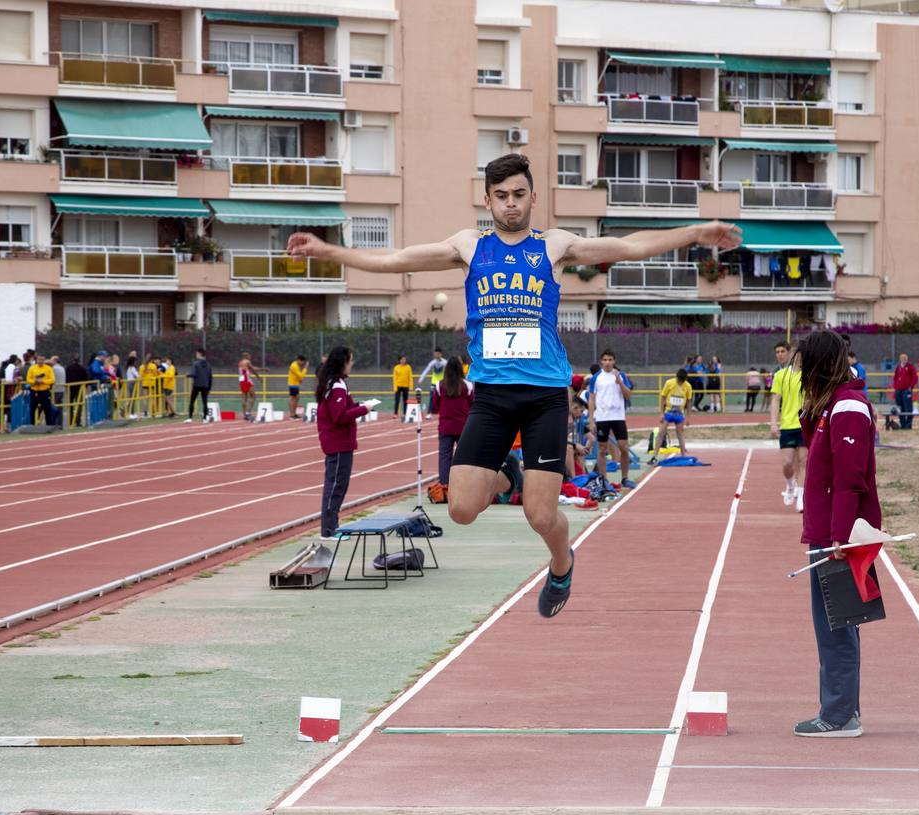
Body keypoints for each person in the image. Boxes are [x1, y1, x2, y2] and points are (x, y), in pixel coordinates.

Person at [288, 152, 741, 617]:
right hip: (493, 397)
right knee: (461, 509)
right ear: (487, 200)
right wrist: (327, 251)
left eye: (519, 195)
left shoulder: (554, 245)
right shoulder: (469, 246)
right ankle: (510, 470)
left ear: (532, 197)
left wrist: (695, 233)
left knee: (541, 516)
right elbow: (395, 259)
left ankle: (562, 563)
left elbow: (628, 247)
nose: (510, 205)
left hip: (544, 397)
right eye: (501, 196)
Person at [794, 329, 877, 739]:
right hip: (828, 530)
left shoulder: (849, 409)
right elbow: (820, 455)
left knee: (836, 625)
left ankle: (840, 715)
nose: (802, 376)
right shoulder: (834, 407)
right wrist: (811, 411)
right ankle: (846, 710)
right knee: (837, 621)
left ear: (823, 366)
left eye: (806, 367)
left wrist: (841, 537)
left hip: (838, 535)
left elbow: (850, 478)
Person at [315, 346, 380, 541]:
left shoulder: (337, 384)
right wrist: (364, 410)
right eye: (350, 361)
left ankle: (331, 525)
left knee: (338, 485)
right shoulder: (336, 386)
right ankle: (329, 529)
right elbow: (339, 416)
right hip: (338, 443)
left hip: (340, 442)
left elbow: (344, 408)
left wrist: (360, 405)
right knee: (335, 486)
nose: (352, 364)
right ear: (342, 362)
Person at [587, 349, 635, 489]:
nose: (608, 362)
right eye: (605, 360)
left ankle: (625, 478)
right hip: (602, 417)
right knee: (602, 449)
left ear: (614, 361)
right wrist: (591, 419)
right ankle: (604, 479)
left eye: (610, 360)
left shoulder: (621, 375)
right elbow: (591, 398)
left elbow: (627, 395)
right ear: (601, 361)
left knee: (623, 447)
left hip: (618, 417)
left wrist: (619, 381)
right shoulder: (596, 377)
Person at [770, 340, 805, 512]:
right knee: (787, 463)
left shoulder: (809, 375)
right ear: (793, 354)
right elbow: (776, 399)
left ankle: (802, 495)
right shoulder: (781, 375)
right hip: (787, 425)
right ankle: (791, 485)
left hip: (805, 424)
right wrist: (773, 423)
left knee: (804, 462)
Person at [432, 356, 473, 491]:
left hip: (445, 426)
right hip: (463, 427)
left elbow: (436, 405)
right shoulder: (467, 385)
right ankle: (463, 485)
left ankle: (444, 484)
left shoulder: (440, 385)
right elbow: (472, 403)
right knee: (464, 457)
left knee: (444, 456)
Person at [653, 368, 692, 460]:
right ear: (676, 377)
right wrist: (661, 413)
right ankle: (654, 455)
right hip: (668, 413)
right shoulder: (669, 383)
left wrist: (688, 417)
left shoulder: (688, 386)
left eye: (682, 381)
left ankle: (683, 455)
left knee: (680, 434)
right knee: (660, 433)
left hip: (679, 414)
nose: (680, 383)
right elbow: (663, 397)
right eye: (679, 381)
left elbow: (689, 401)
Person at [25, 353, 57, 425]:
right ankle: (32, 425)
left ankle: (49, 425)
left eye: (42, 360)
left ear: (44, 360)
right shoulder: (32, 368)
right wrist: (34, 381)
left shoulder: (48, 368)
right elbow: (28, 379)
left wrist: (43, 381)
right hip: (34, 390)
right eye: (39, 359)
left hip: (44, 391)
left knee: (47, 408)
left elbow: (52, 380)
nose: (40, 361)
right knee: (33, 408)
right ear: (36, 360)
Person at [891, 352, 918, 430]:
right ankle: (902, 424)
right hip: (899, 390)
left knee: (908, 408)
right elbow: (895, 378)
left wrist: (911, 387)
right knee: (901, 408)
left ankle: (908, 425)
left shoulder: (910, 367)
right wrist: (895, 387)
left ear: (907, 359)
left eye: (905, 358)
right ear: (900, 359)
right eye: (902, 358)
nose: (903, 360)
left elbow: (914, 377)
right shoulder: (898, 367)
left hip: (907, 390)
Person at [418, 348, 447, 415]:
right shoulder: (432, 362)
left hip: (442, 383)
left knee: (443, 398)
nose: (437, 355)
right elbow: (426, 370)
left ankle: (443, 412)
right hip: (434, 382)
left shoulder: (444, 362)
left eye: (438, 353)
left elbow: (450, 369)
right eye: (435, 353)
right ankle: (429, 413)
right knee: (432, 397)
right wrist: (421, 379)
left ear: (441, 354)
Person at [187, 349, 213, 423]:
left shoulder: (196, 364)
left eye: (197, 354)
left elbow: (193, 374)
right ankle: (205, 418)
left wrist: (188, 375)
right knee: (205, 402)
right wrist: (209, 388)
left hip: (197, 384)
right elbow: (210, 377)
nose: (196, 355)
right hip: (205, 385)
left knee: (192, 401)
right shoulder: (208, 365)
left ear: (199, 354)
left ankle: (190, 418)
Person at [238, 352, 262, 421]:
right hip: (247, 381)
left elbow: (251, 368)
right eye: (249, 356)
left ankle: (244, 414)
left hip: (241, 381)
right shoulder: (247, 361)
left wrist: (263, 369)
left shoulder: (240, 362)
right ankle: (248, 412)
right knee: (253, 396)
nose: (250, 357)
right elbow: (253, 370)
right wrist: (259, 377)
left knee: (244, 398)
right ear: (247, 356)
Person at [287, 354, 309, 419]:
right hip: (293, 384)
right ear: (299, 360)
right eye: (302, 362)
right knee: (293, 398)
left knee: (296, 398)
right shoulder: (294, 366)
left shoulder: (296, 365)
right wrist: (305, 368)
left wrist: (300, 380)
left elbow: (298, 376)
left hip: (295, 384)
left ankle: (294, 413)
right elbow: (301, 375)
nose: (302, 364)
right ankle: (292, 414)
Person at [392, 354, 413, 420]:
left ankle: (405, 413)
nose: (404, 360)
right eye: (402, 359)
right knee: (397, 400)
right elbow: (394, 378)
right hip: (398, 386)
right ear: (399, 360)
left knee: (405, 400)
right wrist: (395, 387)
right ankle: (395, 413)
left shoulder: (408, 367)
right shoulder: (396, 367)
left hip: (406, 386)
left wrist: (411, 386)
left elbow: (410, 377)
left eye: (404, 359)